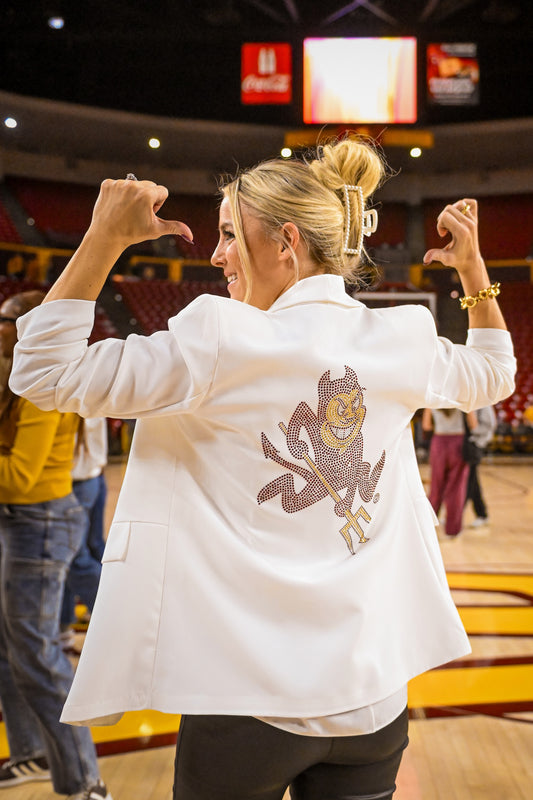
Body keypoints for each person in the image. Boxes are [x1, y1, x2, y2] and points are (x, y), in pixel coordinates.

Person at [10, 138, 515, 800]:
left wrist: (102, 240)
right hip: (374, 703)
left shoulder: (220, 338)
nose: (216, 254)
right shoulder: (403, 338)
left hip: (249, 707)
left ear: (284, 241)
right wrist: (474, 270)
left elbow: (42, 369)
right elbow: (494, 371)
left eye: (227, 234)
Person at [0, 290, 111, 800]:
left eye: (5, 320)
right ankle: (33, 754)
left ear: (27, 329)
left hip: (41, 518)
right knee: (10, 650)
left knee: (40, 654)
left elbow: (22, 477)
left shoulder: (38, 387)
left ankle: (87, 780)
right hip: (25, 518)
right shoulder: (14, 377)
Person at [61, 416, 108, 642]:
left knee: (74, 560)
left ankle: (114, 618)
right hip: (93, 476)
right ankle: (62, 629)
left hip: (76, 480)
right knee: (89, 552)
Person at [421, 407, 478, 537]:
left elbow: (426, 426)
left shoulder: (432, 401)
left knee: (436, 487)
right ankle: (453, 530)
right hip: (458, 442)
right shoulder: (461, 400)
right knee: (456, 488)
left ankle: (427, 526)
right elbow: (474, 424)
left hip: (439, 442)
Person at [465, 405, 496, 527]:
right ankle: (481, 514)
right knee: (472, 481)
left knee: (470, 481)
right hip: (463, 444)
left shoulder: (484, 404)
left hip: (474, 444)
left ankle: (480, 514)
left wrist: (476, 437)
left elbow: (489, 426)